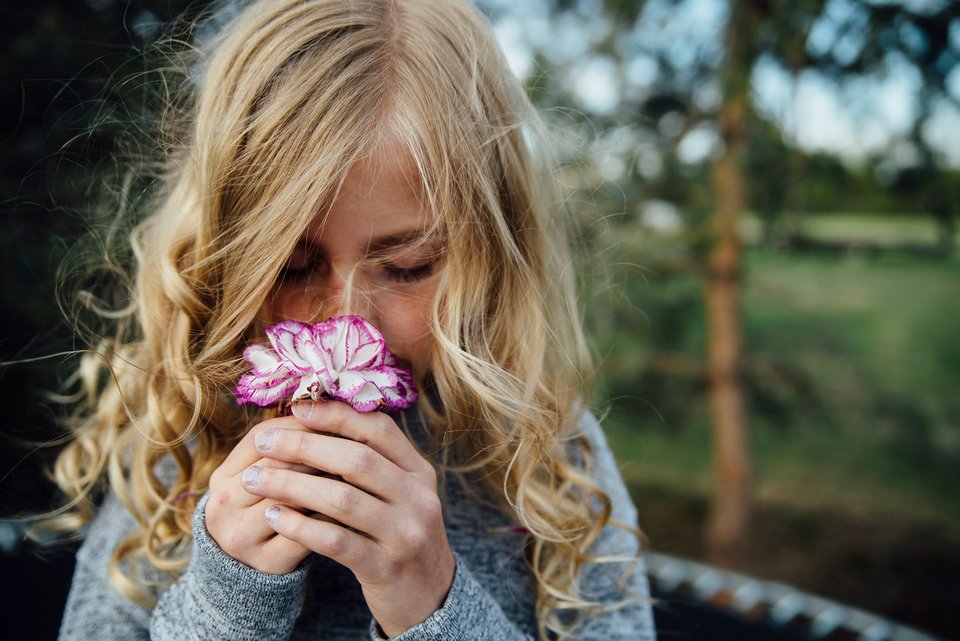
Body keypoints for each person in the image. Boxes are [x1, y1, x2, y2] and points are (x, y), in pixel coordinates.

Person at [49, 0, 657, 639]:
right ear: (222, 256)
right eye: (291, 267)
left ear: (489, 257)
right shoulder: (176, 437)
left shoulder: (549, 458)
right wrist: (227, 605)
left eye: (406, 267)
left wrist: (431, 606)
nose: (347, 328)